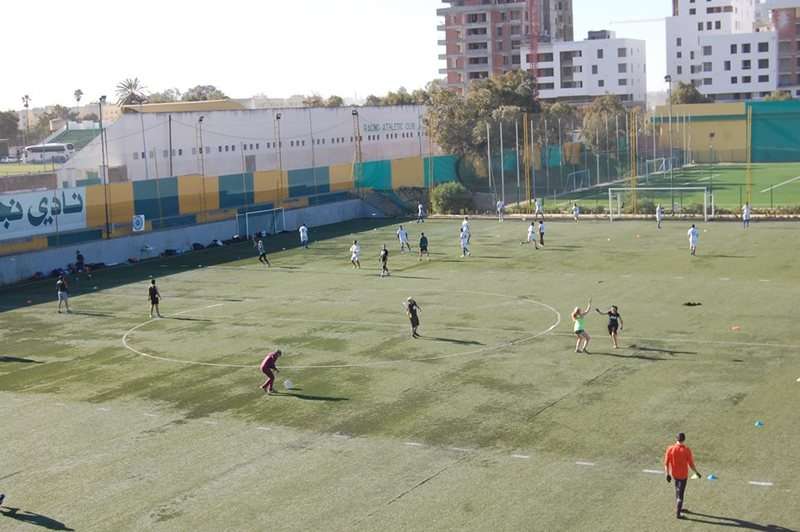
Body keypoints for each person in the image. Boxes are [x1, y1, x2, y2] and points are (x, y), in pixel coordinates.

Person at [664, 432, 702, 519]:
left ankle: (679, 507)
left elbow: (666, 463)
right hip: (683, 475)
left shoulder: (670, 449)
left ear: (676, 439)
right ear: (684, 439)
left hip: (674, 474)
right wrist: (696, 472)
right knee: (681, 493)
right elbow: (691, 464)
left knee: (677, 489)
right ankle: (678, 513)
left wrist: (667, 474)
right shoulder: (686, 450)